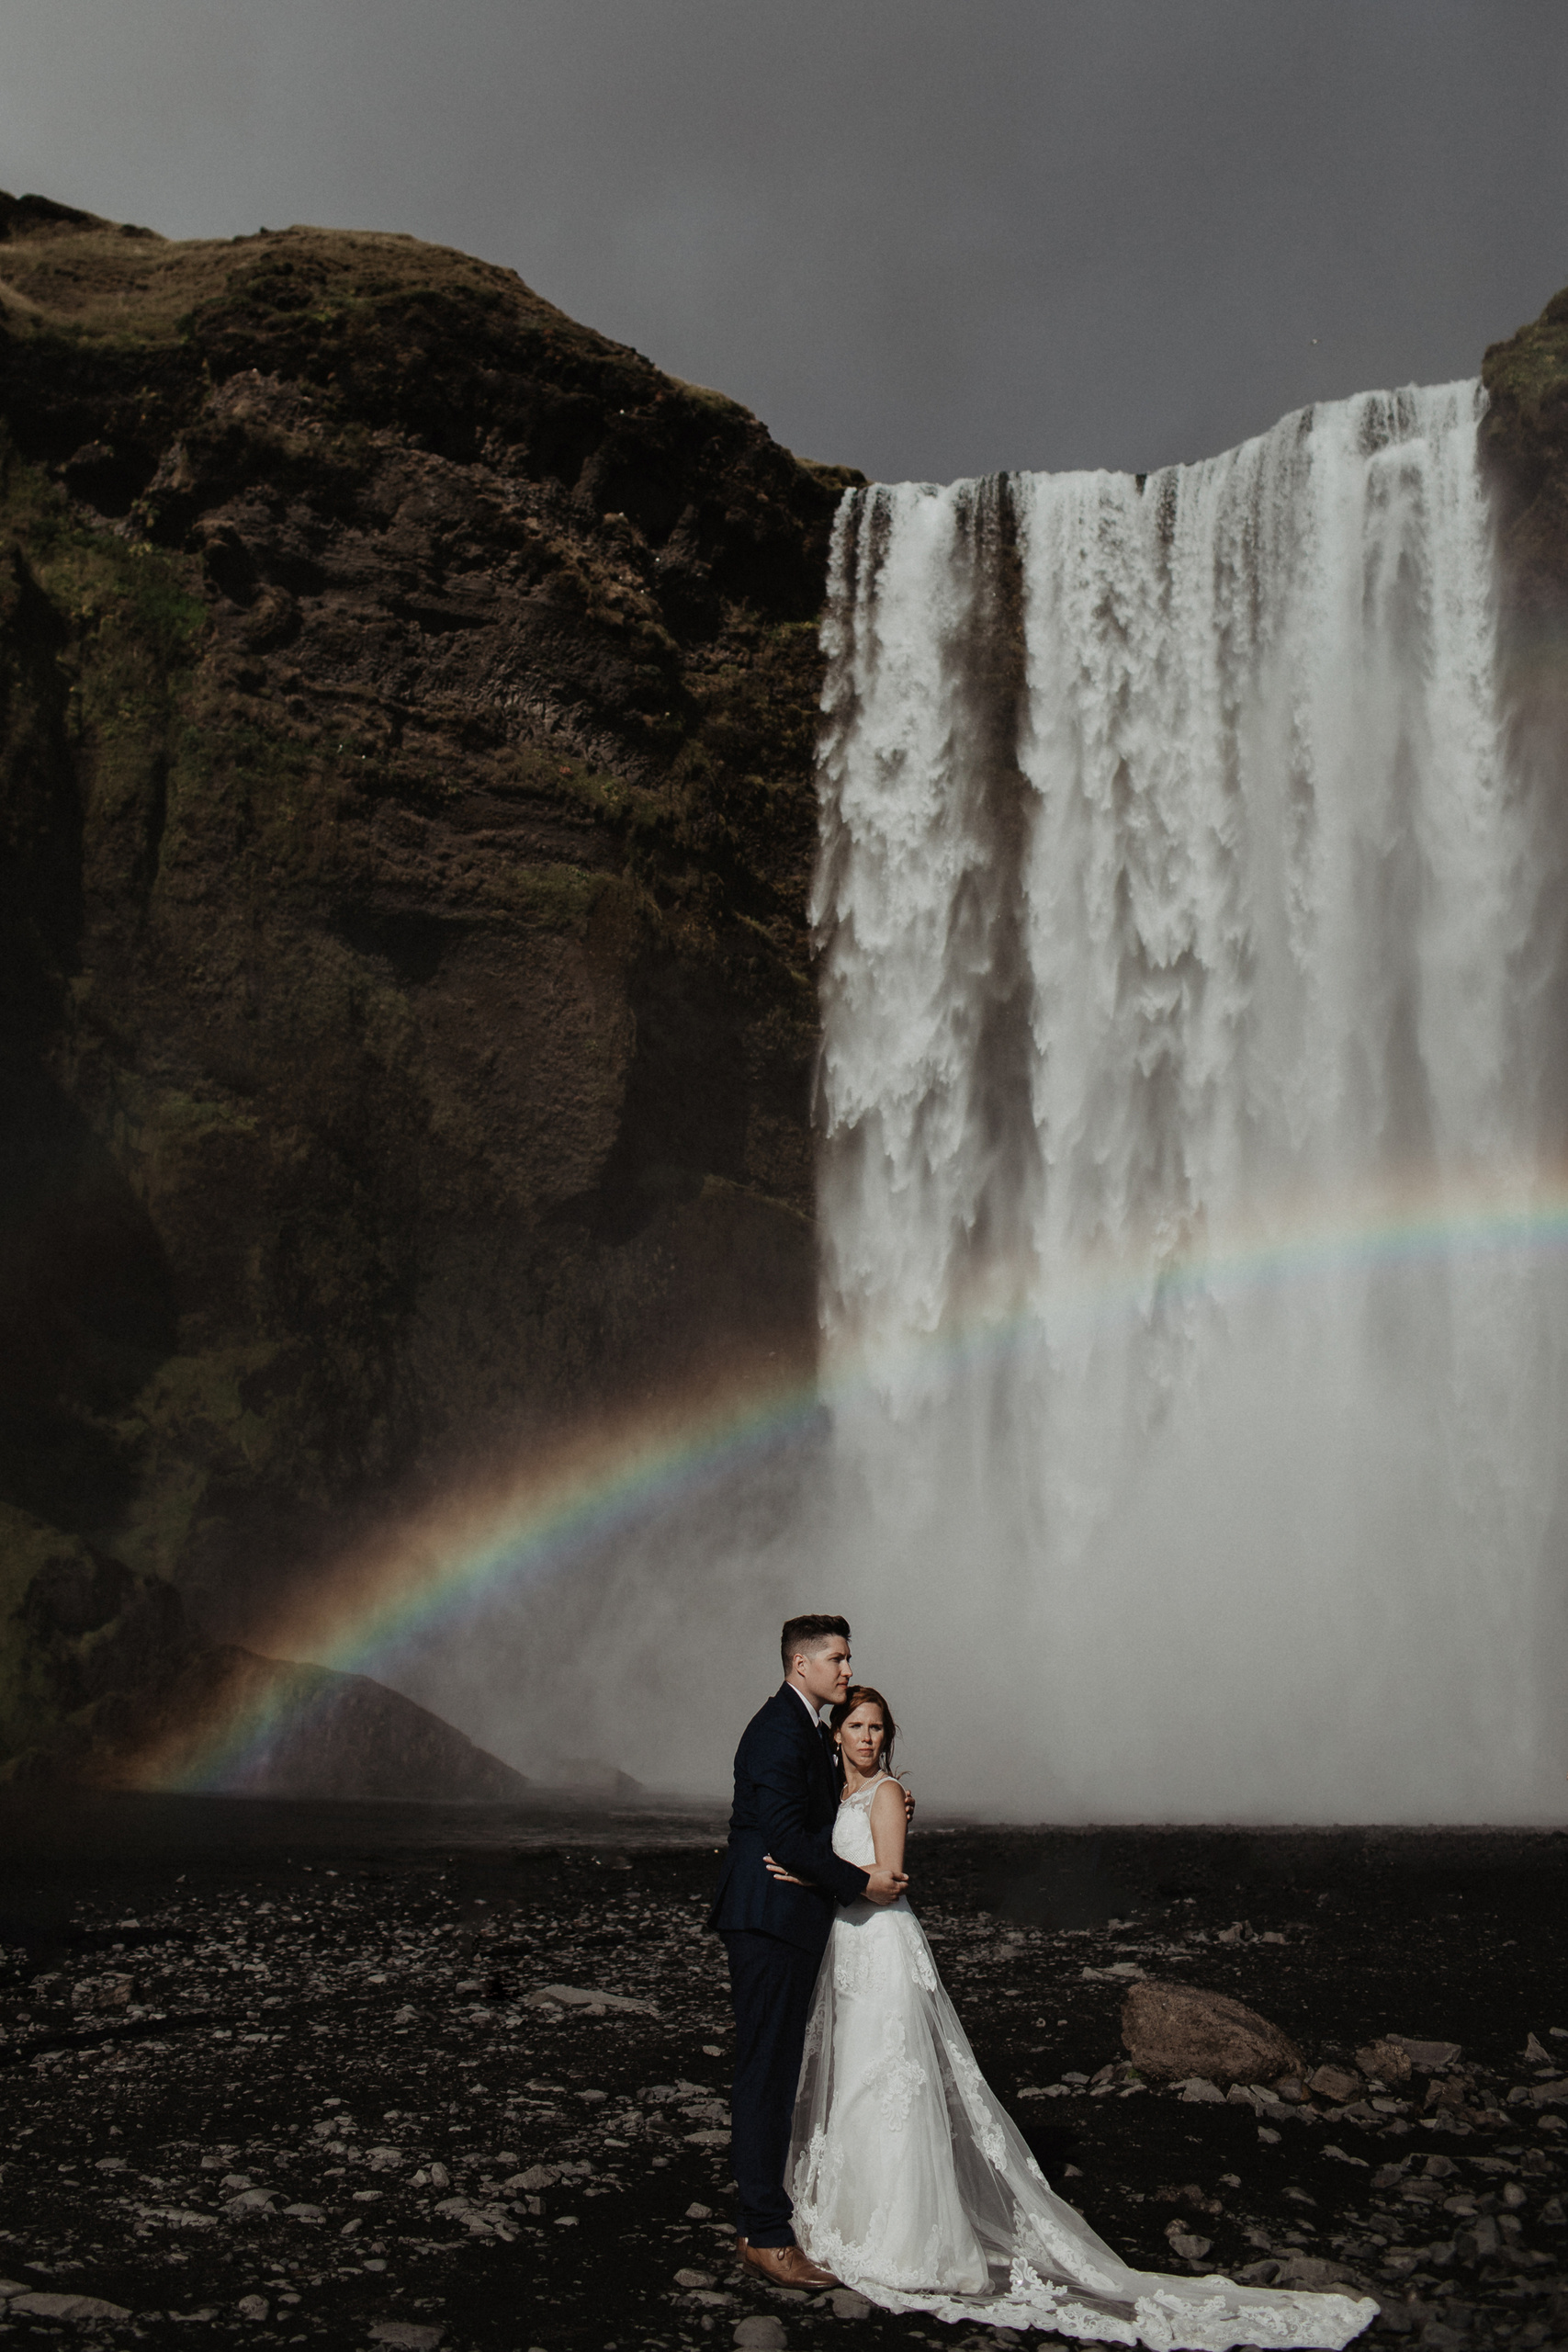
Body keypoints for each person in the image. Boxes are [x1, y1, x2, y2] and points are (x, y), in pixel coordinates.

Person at [770, 1686, 1377, 2350]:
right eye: (855, 1726)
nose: (866, 1737)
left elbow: (888, 1879)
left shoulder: (885, 1794)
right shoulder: (841, 1794)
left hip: (882, 1945)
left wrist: (808, 1874)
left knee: (890, 2083)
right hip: (850, 1950)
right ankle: (853, 2224)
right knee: (857, 2082)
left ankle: (908, 2243)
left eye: (877, 1727)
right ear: (834, 1735)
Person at [709, 1615, 910, 2288]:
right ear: (801, 1665)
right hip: (767, 1922)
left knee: (776, 2068)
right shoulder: (775, 1731)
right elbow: (784, 1837)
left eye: (848, 1658)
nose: (847, 1670)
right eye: (837, 1659)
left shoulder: (803, 1731)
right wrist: (862, 1883)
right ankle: (764, 2235)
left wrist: (886, 1792)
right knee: (766, 2072)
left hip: (788, 1920)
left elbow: (819, 1816)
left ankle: (768, 2218)